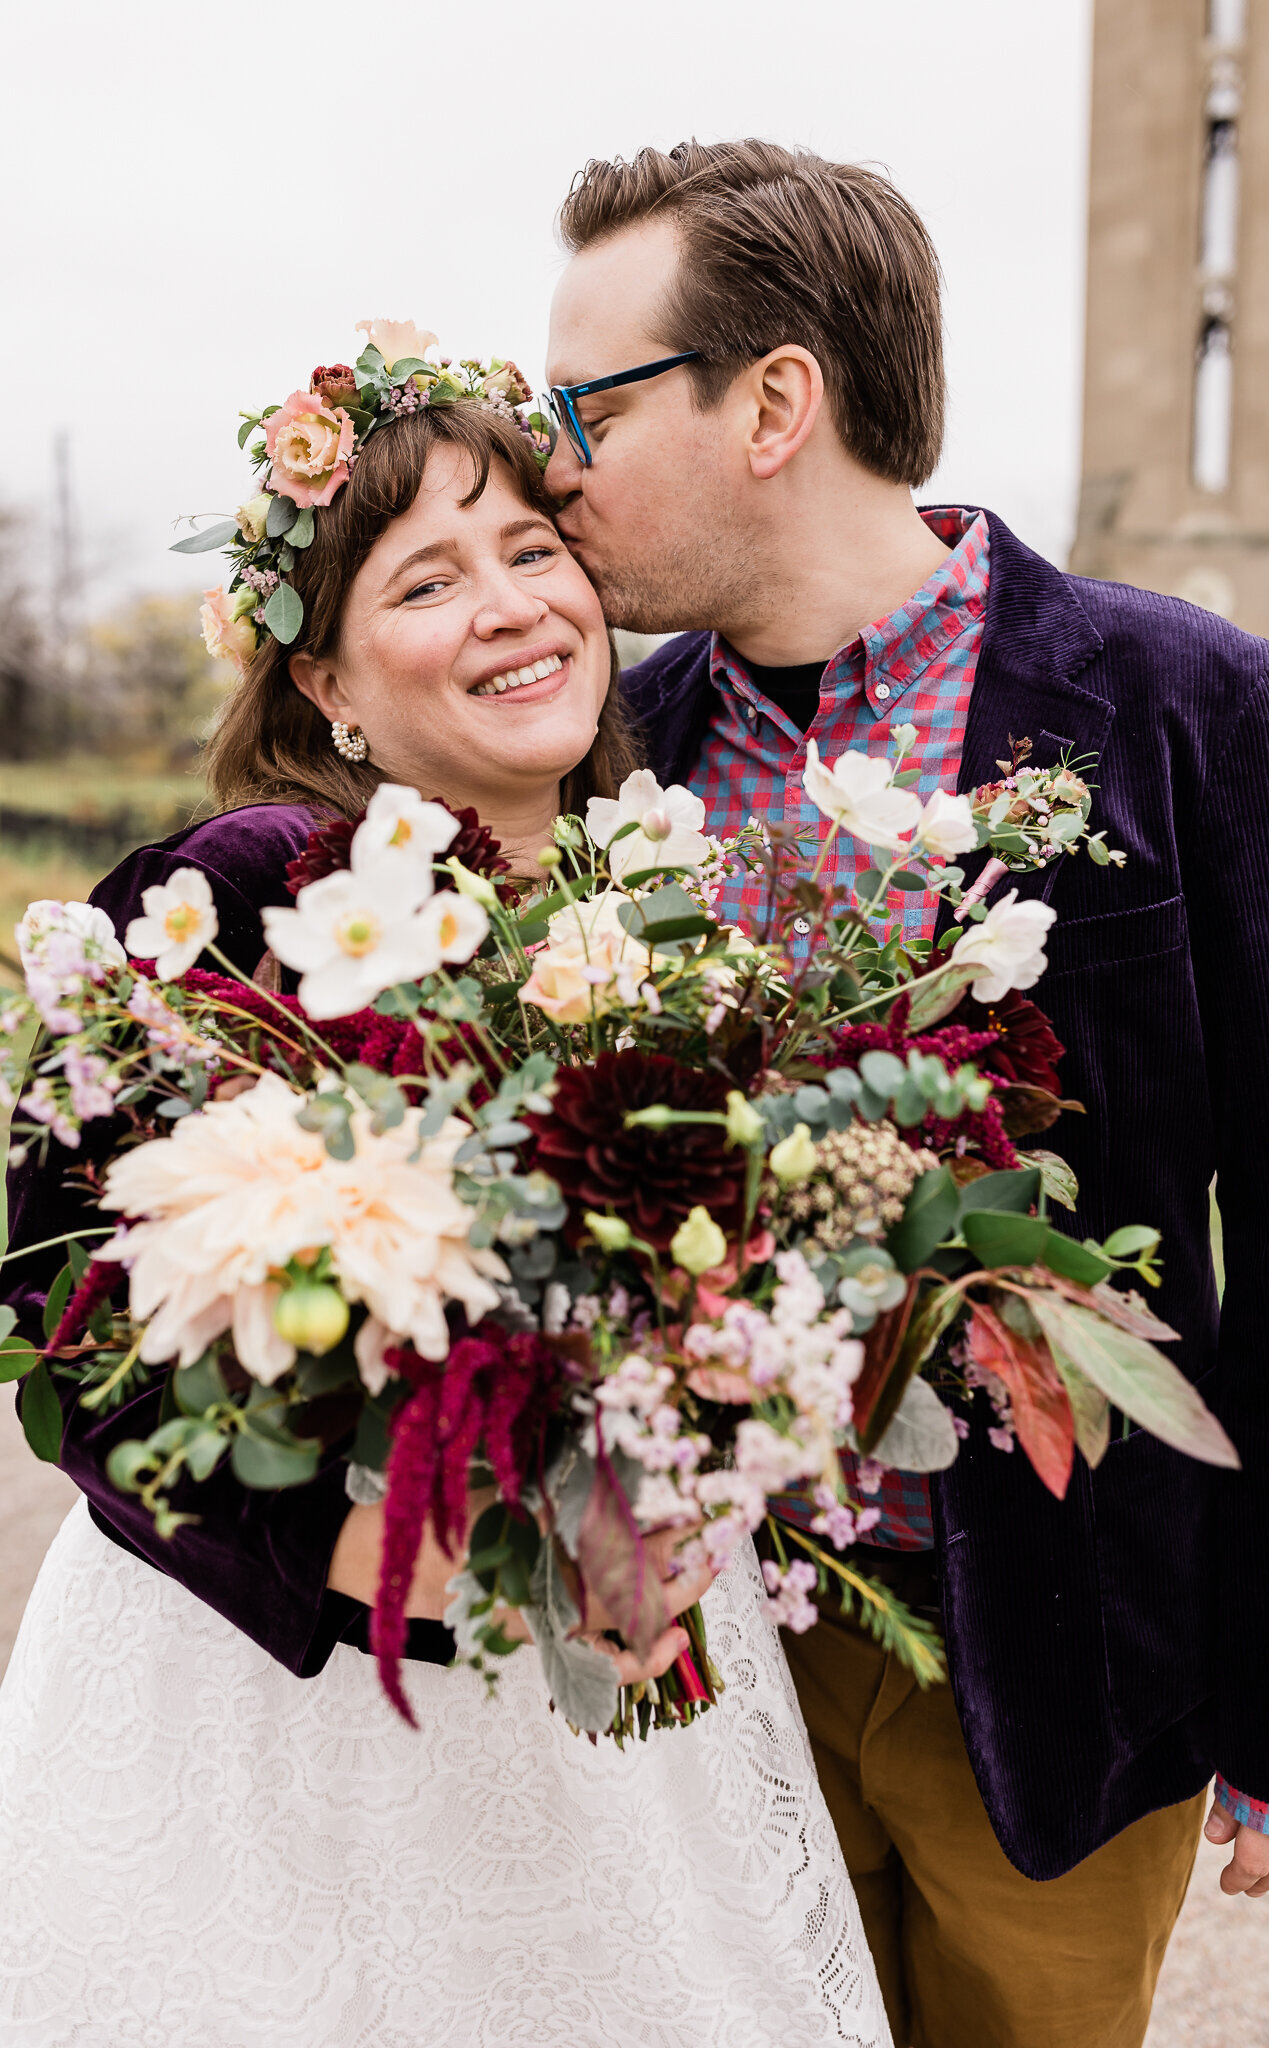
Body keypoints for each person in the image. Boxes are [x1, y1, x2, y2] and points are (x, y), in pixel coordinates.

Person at [541, 138, 1269, 2048]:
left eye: (585, 403)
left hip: (1068, 1660)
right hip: (705, 1662)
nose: (550, 459)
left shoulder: (1186, 703)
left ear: (773, 402)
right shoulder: (610, 748)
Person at [0, 393, 892, 2047]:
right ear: (325, 685)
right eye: (422, 580)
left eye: (533, 550)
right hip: (294, 1702)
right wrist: (409, 1566)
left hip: (623, 1679)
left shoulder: (675, 917)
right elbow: (77, 1337)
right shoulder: (233, 894)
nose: (508, 604)